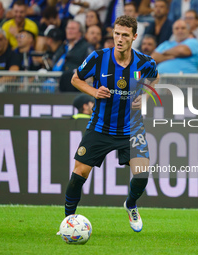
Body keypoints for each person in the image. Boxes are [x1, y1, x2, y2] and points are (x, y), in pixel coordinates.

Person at [62, 15, 159, 233]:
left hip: (131, 127)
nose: (120, 38)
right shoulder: (98, 58)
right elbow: (75, 78)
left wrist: (144, 95)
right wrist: (94, 91)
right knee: (79, 173)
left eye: (125, 35)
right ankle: (68, 221)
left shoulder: (145, 62)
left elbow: (155, 78)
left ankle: (131, 205)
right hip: (100, 127)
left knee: (142, 173)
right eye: (117, 33)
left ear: (134, 37)